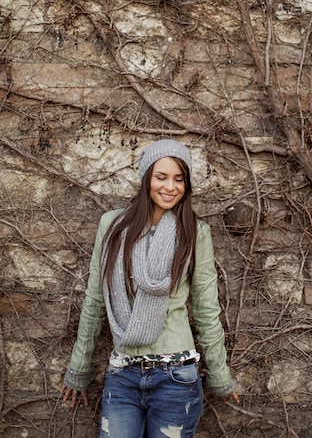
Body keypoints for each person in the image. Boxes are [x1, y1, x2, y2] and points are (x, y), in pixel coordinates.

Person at [60, 138, 239, 437]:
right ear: (146, 179)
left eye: (179, 179)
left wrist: (220, 375)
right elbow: (95, 300)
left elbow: (207, 309)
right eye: (161, 177)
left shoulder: (196, 233)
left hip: (177, 376)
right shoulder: (113, 226)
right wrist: (79, 367)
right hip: (122, 375)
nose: (170, 187)